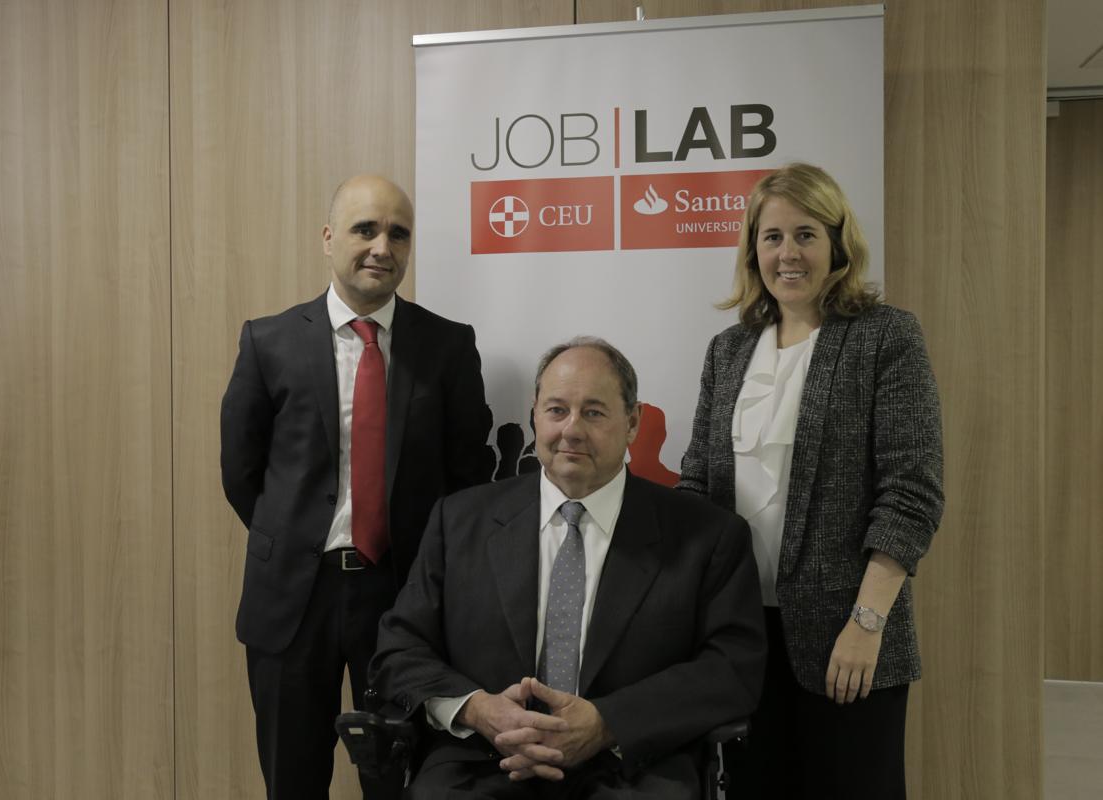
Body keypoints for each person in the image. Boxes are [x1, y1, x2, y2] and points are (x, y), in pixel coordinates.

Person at [370, 337, 766, 799]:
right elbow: (399, 648)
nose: (571, 430)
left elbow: (732, 668)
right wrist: (479, 710)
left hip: (633, 763)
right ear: (534, 414)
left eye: (594, 412)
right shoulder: (459, 521)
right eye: (557, 410)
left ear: (633, 422)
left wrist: (608, 723)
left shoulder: (707, 536)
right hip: (483, 760)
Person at [220, 174, 495, 799]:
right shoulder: (268, 342)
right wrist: (291, 537)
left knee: (401, 782)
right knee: (293, 780)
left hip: (403, 598)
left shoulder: (448, 346)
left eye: (398, 233)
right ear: (327, 237)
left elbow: (467, 477)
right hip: (292, 598)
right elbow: (242, 473)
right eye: (365, 229)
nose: (382, 247)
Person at [678, 163, 944, 799]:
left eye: (805, 234)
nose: (787, 253)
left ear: (837, 244)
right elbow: (698, 482)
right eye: (771, 238)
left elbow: (912, 493)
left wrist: (867, 623)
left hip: (849, 636)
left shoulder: (885, 337)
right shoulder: (728, 349)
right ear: (753, 251)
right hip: (742, 638)